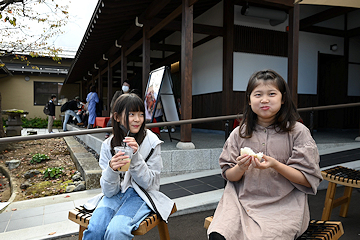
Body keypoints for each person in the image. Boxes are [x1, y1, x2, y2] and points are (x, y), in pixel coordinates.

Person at [207, 70, 322, 240]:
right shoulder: (239, 133)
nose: (264, 100)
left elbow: (307, 179)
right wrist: (240, 167)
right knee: (219, 236)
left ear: (283, 99)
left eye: (272, 94)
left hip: (284, 205)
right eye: (258, 94)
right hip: (240, 202)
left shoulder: (298, 132)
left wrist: (276, 165)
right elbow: (229, 175)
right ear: (249, 99)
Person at [82, 93, 174, 240]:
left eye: (141, 114)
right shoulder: (108, 145)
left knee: (116, 231)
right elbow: (108, 192)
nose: (137, 119)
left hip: (141, 195)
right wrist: (112, 170)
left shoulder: (152, 142)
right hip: (115, 195)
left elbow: (149, 184)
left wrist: (136, 157)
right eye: (131, 114)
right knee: (95, 231)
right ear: (117, 117)